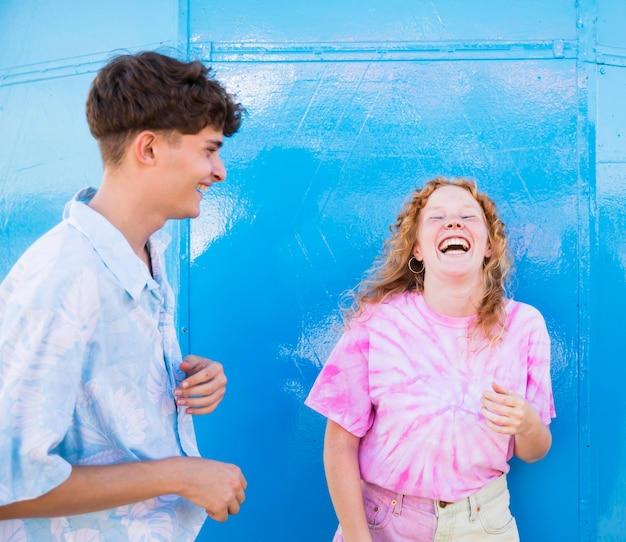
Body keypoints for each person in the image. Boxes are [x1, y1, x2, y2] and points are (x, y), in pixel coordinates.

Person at [0, 51, 247, 541]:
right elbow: (9, 484)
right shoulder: (63, 275)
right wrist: (181, 473)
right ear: (149, 149)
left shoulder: (146, 252)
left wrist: (184, 388)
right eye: (209, 150)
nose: (219, 171)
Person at [305, 177, 555, 542]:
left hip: (484, 524)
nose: (454, 224)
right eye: (437, 218)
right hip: (384, 525)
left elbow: (535, 450)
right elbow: (340, 443)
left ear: (488, 246)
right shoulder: (377, 321)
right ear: (417, 248)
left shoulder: (524, 326)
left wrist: (527, 423)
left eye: (468, 217)